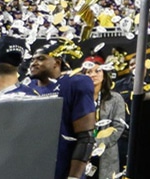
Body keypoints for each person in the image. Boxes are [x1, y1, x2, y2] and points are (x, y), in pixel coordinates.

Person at [26, 40, 98, 179]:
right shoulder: (27, 88)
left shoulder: (75, 83)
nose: (33, 63)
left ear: (57, 63)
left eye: (41, 59)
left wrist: (74, 176)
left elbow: (86, 137)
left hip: (63, 170)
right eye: (32, 59)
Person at [82, 56, 128, 179]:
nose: (93, 74)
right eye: (89, 72)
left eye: (97, 71)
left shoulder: (115, 98)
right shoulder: (79, 98)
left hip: (106, 152)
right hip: (82, 152)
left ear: (104, 74)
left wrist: (97, 145)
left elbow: (118, 127)